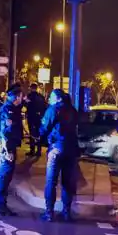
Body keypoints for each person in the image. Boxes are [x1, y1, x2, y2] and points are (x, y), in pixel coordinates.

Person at [38, 88, 80, 221]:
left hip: (56, 149)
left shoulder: (53, 109)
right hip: (71, 150)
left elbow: (44, 128)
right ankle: (66, 212)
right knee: (67, 182)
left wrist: (39, 136)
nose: (49, 99)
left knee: (51, 182)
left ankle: (49, 213)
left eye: (51, 96)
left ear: (58, 98)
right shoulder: (73, 110)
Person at [0, 85, 24, 216]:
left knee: (1, 174)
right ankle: (1, 205)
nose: (23, 98)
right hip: (6, 146)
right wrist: (8, 151)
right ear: (16, 97)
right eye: (21, 96)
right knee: (4, 175)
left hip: (4, 145)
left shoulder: (11, 109)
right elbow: (6, 132)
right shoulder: (9, 110)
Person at [23, 83, 47, 158]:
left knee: (32, 134)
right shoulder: (41, 97)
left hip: (31, 116)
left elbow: (25, 104)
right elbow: (45, 107)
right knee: (38, 133)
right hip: (39, 117)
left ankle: (32, 150)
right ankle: (38, 151)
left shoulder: (29, 96)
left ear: (31, 88)